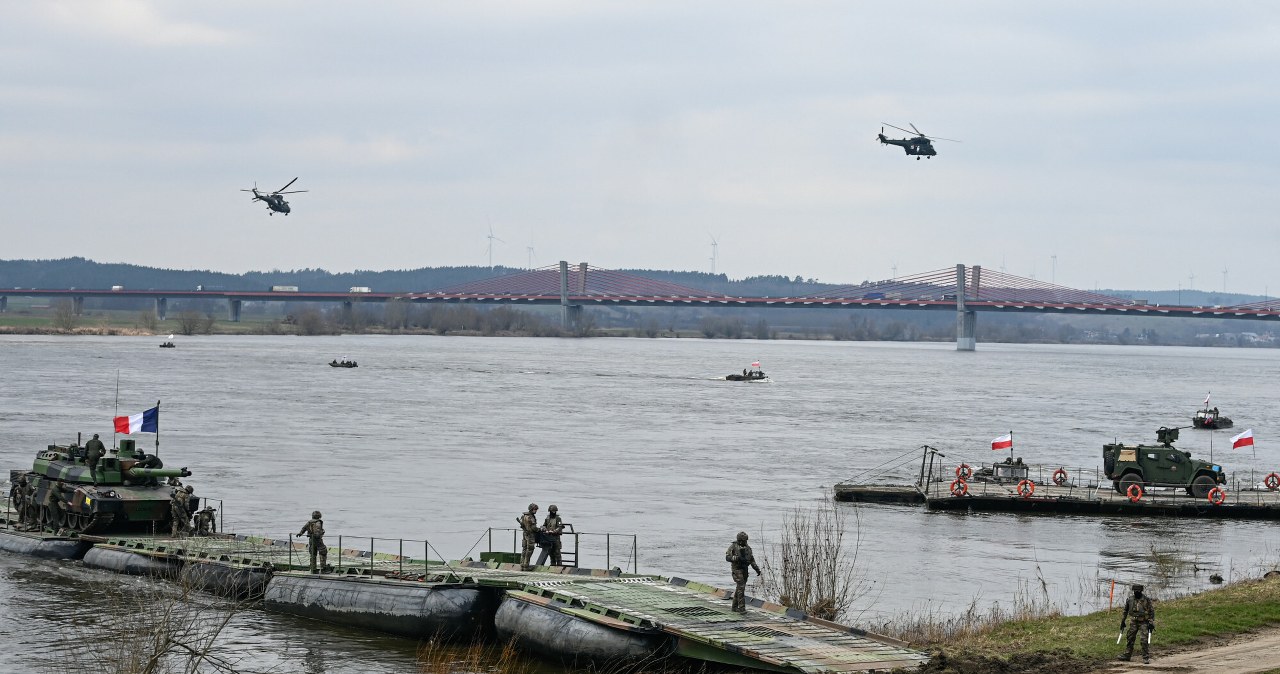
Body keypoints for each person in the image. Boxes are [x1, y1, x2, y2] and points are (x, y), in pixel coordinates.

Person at [725, 531, 762, 613]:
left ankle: (734, 607)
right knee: (741, 587)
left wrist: (757, 569)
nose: (745, 542)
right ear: (740, 540)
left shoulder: (748, 549)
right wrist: (735, 558)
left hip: (745, 569)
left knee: (739, 588)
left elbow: (752, 560)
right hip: (736, 569)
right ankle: (742, 607)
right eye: (744, 540)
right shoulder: (733, 547)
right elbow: (727, 557)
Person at [1119, 584, 1155, 663]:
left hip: (1144, 622)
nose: (1136, 592)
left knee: (1144, 640)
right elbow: (1125, 611)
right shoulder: (1130, 599)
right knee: (1130, 638)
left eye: (1138, 591)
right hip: (1133, 622)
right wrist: (1123, 621)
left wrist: (1151, 622)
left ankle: (1145, 657)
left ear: (1141, 591)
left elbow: (1151, 612)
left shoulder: (1146, 600)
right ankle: (1127, 655)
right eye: (1135, 591)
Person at [517, 503, 539, 569]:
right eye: (535, 509)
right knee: (529, 550)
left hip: (525, 534)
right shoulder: (531, 517)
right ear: (531, 509)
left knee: (524, 549)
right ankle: (526, 565)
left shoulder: (524, 516)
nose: (536, 511)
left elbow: (522, 525)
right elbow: (533, 528)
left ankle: (522, 564)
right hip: (530, 535)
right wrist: (539, 529)